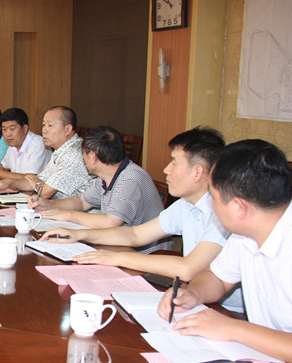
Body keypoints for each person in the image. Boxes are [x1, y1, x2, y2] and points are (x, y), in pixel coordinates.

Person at [42, 127, 243, 311]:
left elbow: (187, 268)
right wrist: (79, 235)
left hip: (227, 311)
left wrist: (117, 257)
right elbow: (135, 234)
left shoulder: (224, 211)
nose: (166, 169)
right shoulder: (185, 204)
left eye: (174, 162)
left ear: (197, 171)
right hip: (194, 297)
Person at [158, 139, 292, 363]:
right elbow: (217, 278)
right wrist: (193, 294)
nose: (210, 205)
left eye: (213, 197)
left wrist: (233, 328)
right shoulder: (245, 233)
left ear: (239, 207)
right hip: (264, 357)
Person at [31, 126, 169, 251]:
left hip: (145, 253)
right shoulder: (106, 176)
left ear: (92, 156)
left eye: (83, 153)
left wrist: (68, 215)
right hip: (117, 243)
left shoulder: (130, 178)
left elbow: (110, 222)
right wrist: (49, 204)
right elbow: (82, 202)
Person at [0, 105, 93, 199]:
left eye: (50, 125)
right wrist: (9, 182)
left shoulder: (73, 153)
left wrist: (36, 183)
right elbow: (38, 180)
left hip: (76, 214)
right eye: (44, 125)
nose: (44, 130)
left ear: (68, 129)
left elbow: (44, 192)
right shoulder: (60, 151)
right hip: (55, 208)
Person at [0, 107, 51, 177]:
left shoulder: (38, 144)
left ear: (25, 129)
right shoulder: (13, 144)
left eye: (12, 129)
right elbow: (3, 166)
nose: (8, 134)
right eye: (4, 129)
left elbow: (30, 179)